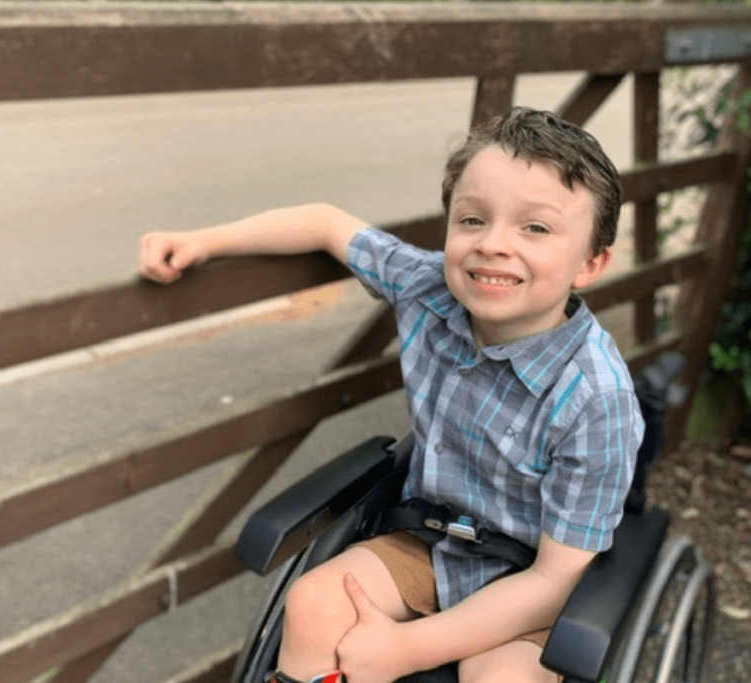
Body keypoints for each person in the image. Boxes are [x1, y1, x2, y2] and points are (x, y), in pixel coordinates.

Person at [138, 108, 644, 683]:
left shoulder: (596, 398)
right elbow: (326, 223)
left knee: (501, 678)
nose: (493, 245)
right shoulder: (426, 286)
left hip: (531, 581)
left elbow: (556, 581)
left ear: (591, 262)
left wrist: (407, 649)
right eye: (473, 219)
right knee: (313, 604)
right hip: (431, 539)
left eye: (536, 228)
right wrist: (202, 241)